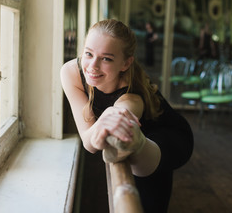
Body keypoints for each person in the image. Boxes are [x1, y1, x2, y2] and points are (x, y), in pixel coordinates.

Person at [60, 19, 194, 213]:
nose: (93, 66)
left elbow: (123, 112)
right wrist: (103, 125)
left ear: (126, 63)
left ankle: (137, 142)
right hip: (140, 136)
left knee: (148, 196)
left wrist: (113, 119)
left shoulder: (131, 92)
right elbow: (89, 143)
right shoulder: (71, 72)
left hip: (168, 137)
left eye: (106, 58)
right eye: (88, 53)